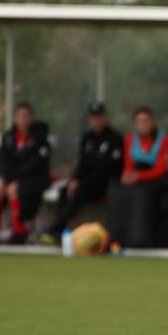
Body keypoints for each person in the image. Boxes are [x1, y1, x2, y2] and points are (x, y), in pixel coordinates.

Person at [43, 101, 123, 242]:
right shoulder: (87, 138)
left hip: (107, 183)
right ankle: (58, 231)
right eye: (93, 117)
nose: (96, 120)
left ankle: (54, 229)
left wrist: (81, 182)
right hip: (86, 183)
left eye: (99, 116)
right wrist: (74, 179)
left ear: (105, 118)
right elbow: (82, 164)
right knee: (65, 191)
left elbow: (106, 168)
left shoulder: (114, 138)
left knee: (79, 190)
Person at [107, 106, 168, 248]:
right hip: (139, 177)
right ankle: (118, 237)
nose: (143, 124)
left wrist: (139, 176)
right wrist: (128, 175)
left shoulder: (163, 139)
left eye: (146, 121)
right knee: (116, 191)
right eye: (139, 121)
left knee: (143, 194)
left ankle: (141, 238)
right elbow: (128, 163)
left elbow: (160, 169)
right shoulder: (130, 139)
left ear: (153, 122)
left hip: (160, 178)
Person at [0, 102, 51, 244]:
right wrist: (3, 178)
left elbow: (35, 165)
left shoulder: (40, 138)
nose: (22, 120)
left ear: (31, 118)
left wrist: (13, 179)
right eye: (19, 116)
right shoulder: (8, 138)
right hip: (12, 178)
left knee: (14, 188)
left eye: (25, 116)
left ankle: (19, 232)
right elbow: (2, 162)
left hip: (33, 180)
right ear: (14, 118)